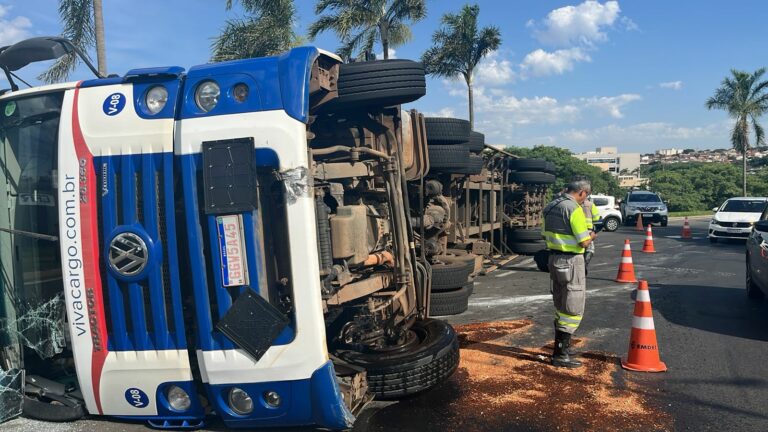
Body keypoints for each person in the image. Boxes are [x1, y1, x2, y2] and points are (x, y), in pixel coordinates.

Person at [541, 179, 596, 368]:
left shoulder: (550, 206)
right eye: (585, 196)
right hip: (571, 261)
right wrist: (592, 236)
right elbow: (583, 242)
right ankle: (561, 354)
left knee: (560, 302)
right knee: (573, 305)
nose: (585, 200)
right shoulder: (574, 209)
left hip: (554, 260)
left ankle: (561, 346)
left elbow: (544, 233)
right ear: (581, 192)